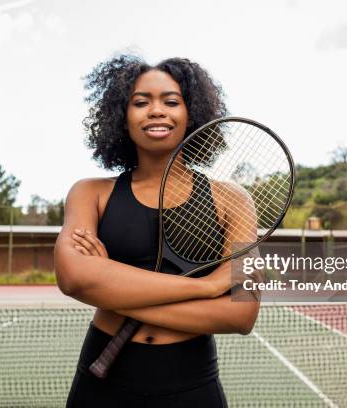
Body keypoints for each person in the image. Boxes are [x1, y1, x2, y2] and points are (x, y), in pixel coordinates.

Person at [54, 55, 260, 407]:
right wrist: (206, 287)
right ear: (122, 116)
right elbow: (73, 277)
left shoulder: (234, 200)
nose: (156, 111)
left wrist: (110, 287)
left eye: (171, 101)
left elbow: (242, 313)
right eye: (140, 102)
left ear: (192, 113)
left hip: (192, 382)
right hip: (102, 380)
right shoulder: (89, 192)